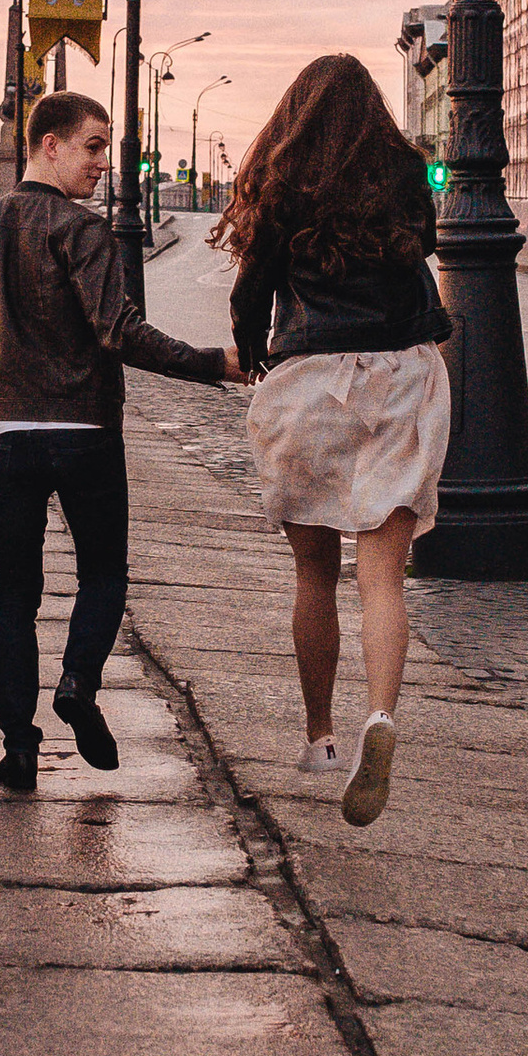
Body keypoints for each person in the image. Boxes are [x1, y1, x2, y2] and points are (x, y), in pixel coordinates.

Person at [0, 88, 238, 792]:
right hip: (85, 434)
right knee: (104, 576)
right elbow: (120, 332)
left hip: (9, 439)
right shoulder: (83, 231)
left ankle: (18, 751)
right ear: (49, 145)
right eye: (92, 147)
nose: (102, 163)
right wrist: (214, 363)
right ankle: (78, 684)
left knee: (13, 599)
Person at [216, 53, 451, 828]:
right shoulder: (406, 173)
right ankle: (379, 718)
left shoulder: (285, 180)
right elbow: (425, 245)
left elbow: (250, 296)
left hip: (312, 380)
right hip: (403, 379)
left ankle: (319, 738)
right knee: (383, 579)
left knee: (314, 575)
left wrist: (252, 355)